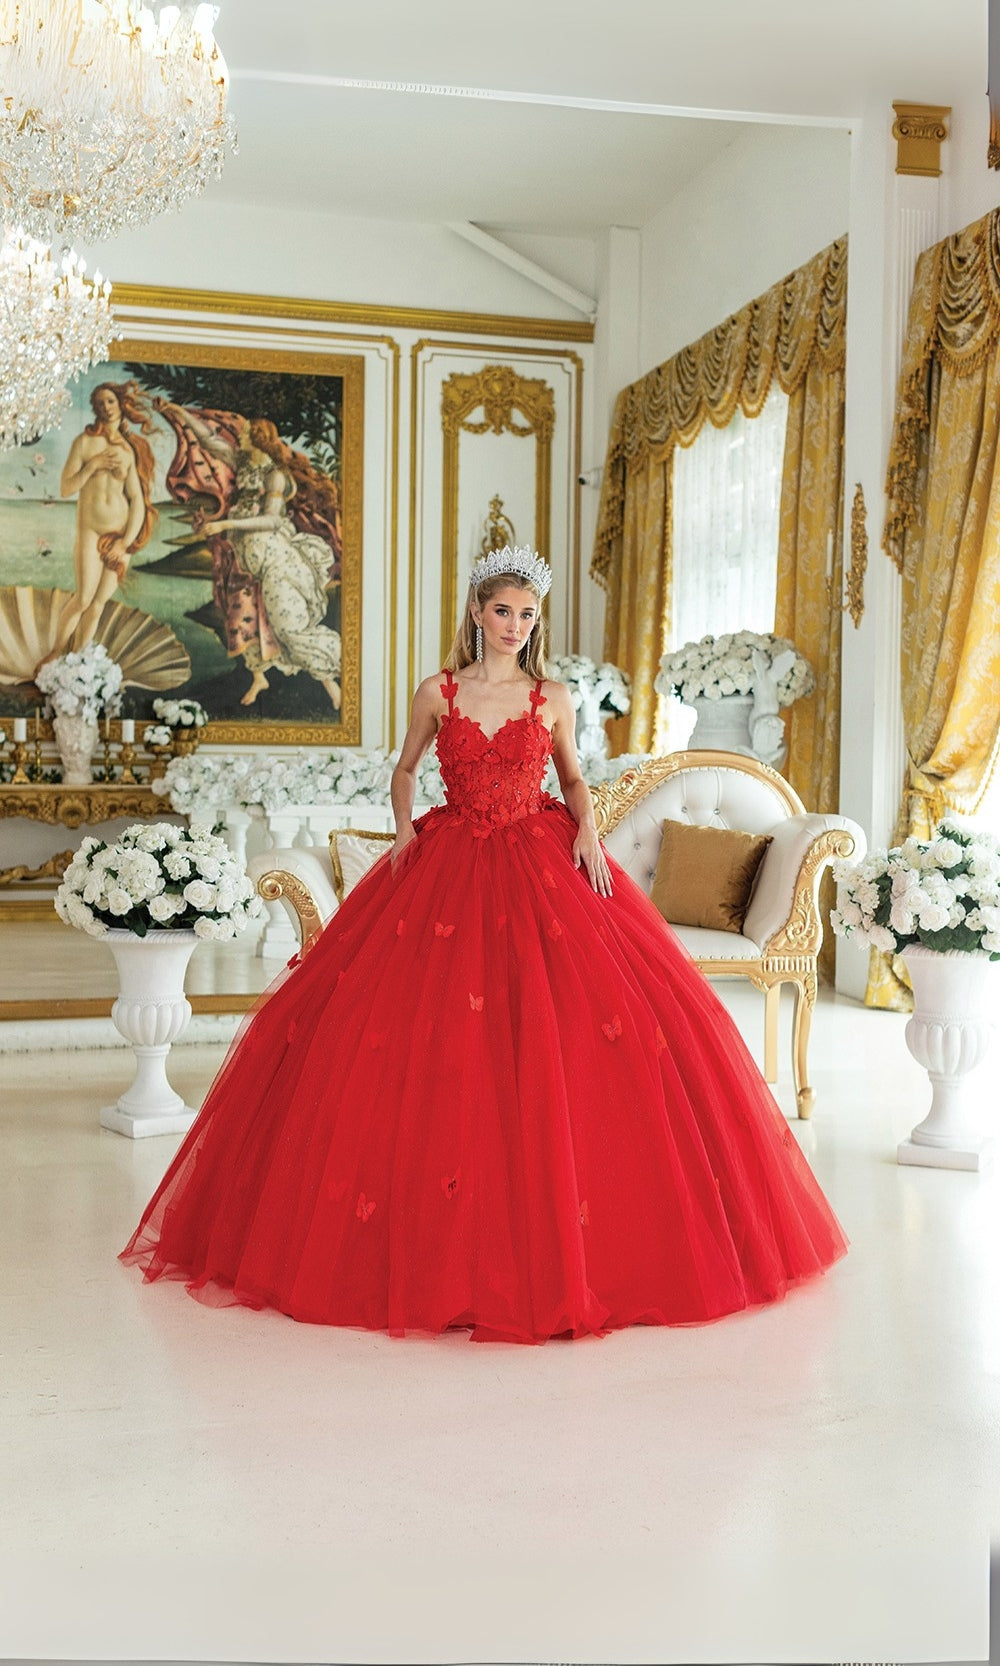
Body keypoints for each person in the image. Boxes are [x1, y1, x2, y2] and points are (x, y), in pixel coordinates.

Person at [121, 546, 847, 1343]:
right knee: (423, 1042)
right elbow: (403, 772)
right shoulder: (439, 692)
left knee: (575, 1033)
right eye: (503, 611)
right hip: (450, 857)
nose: (515, 626)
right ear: (476, 613)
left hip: (541, 855)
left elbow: (572, 778)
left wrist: (590, 837)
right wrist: (402, 832)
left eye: (528, 615)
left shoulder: (553, 698)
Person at [154, 401, 342, 710]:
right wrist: (176, 411)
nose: (238, 438)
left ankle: (331, 684)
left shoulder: (275, 476)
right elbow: (207, 440)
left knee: (288, 626)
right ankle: (258, 676)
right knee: (240, 614)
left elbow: (270, 520)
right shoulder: (243, 463)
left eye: (245, 434)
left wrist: (225, 523)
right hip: (245, 556)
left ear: (258, 438)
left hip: (275, 559)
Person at [43, 381, 158, 662]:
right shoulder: (84, 443)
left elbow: (137, 502)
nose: (105, 407)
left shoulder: (129, 450)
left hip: (119, 535)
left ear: (120, 404)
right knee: (82, 599)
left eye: (110, 401)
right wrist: (93, 465)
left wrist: (124, 542)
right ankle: (56, 652)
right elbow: (66, 488)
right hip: (90, 530)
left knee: (98, 603)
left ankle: (77, 660)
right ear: (94, 408)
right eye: (99, 403)